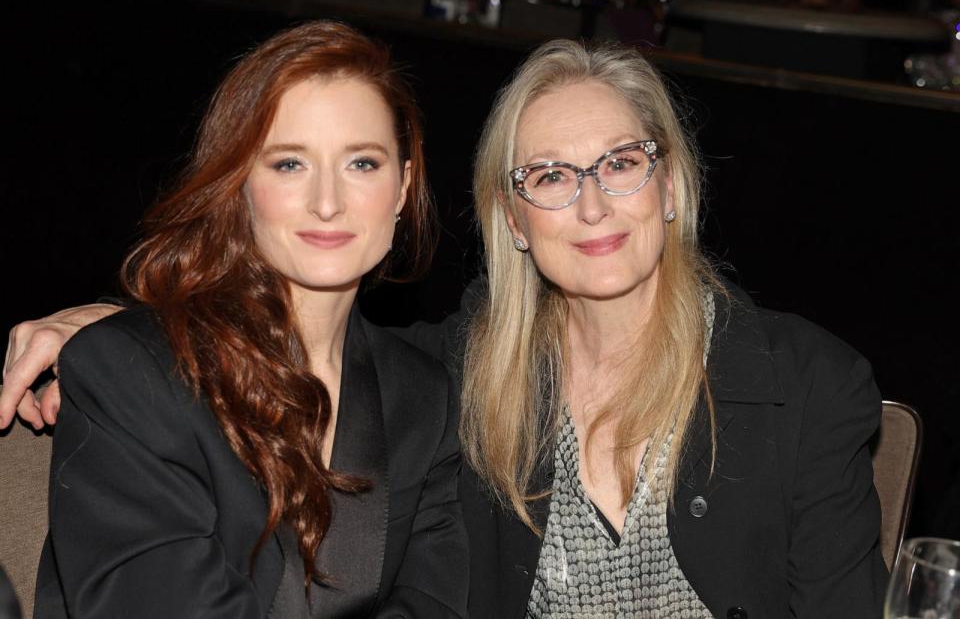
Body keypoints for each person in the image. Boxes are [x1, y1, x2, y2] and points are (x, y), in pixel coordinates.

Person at [2, 38, 887, 617]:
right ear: (511, 216)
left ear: (670, 185)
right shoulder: (466, 379)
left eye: (621, 163)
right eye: (549, 175)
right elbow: (258, 351)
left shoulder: (805, 387)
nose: (591, 204)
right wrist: (123, 325)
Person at [15, 21, 468, 618]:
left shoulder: (425, 400)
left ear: (404, 187)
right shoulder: (128, 371)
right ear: (239, 185)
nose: (327, 201)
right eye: (288, 165)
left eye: (362, 163)